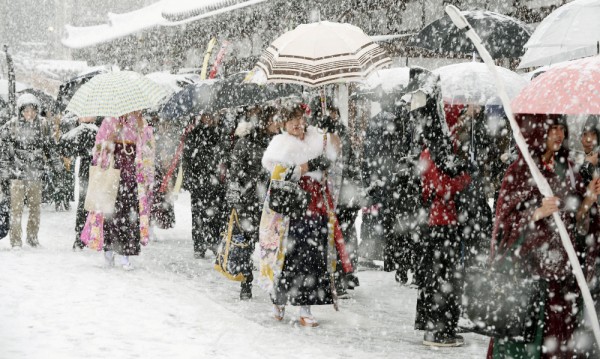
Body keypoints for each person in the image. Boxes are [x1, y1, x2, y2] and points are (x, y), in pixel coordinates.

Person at [488, 115, 600, 358]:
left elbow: (579, 223)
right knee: (523, 346)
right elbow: (504, 223)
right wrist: (536, 212)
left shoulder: (569, 169)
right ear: (538, 132)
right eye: (552, 129)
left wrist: (589, 199)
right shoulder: (520, 171)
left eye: (562, 129)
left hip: (561, 281)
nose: (559, 135)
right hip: (526, 279)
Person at [262, 98, 347, 327]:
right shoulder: (280, 143)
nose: (297, 125)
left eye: (300, 119)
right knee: (290, 259)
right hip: (293, 210)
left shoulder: (316, 137)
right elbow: (276, 173)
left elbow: (334, 155)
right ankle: (279, 301)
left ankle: (305, 307)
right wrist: (305, 167)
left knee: (313, 259)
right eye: (292, 121)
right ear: (284, 124)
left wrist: (330, 137)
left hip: (316, 206)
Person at [80, 112, 155, 270]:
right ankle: (108, 250)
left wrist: (142, 135)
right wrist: (110, 140)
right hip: (113, 172)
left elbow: (148, 148)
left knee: (129, 216)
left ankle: (125, 253)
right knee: (109, 214)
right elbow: (98, 146)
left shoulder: (140, 121)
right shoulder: (110, 121)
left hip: (132, 174)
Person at [226, 104, 282, 300]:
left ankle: (273, 284)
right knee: (246, 245)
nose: (278, 123)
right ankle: (245, 281)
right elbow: (234, 172)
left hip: (273, 202)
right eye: (275, 119)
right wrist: (236, 195)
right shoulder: (246, 142)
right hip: (249, 200)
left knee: (272, 246)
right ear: (266, 121)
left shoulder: (281, 143)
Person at [0, 94, 60, 248]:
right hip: (17, 172)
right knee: (16, 209)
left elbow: (50, 148)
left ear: (36, 110)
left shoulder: (43, 125)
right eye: (26, 111)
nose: (29, 114)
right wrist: (5, 172)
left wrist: (56, 165)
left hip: (35, 172)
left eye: (32, 110)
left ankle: (32, 238)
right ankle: (16, 241)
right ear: (20, 111)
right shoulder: (11, 126)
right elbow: (4, 152)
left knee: (35, 208)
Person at [182, 112, 229, 258]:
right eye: (206, 114)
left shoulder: (221, 132)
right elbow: (187, 159)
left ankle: (215, 243)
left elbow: (226, 156)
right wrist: (190, 179)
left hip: (216, 181)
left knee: (217, 215)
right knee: (198, 214)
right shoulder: (194, 133)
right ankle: (199, 245)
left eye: (212, 114)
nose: (209, 117)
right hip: (199, 181)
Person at [59, 115, 100, 250]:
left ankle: (84, 235)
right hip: (90, 168)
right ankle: (84, 235)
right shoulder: (85, 130)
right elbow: (66, 146)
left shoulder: (90, 129)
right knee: (87, 202)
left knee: (89, 202)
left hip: (93, 168)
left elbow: (65, 146)